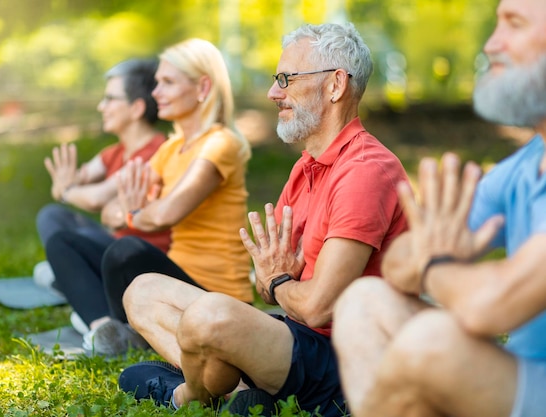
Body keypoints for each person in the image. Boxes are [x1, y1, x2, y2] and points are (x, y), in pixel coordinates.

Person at [118, 23, 408, 417]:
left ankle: (187, 395)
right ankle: (239, 394)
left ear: (335, 85)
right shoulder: (307, 166)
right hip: (296, 338)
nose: (274, 92)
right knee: (142, 291)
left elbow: (318, 306)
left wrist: (279, 281)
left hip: (344, 362)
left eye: (286, 79)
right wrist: (277, 281)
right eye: (277, 80)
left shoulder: (365, 172)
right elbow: (268, 285)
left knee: (209, 317)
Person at [331, 1, 546, 416]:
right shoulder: (523, 166)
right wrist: (432, 256)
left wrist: (434, 266)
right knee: (363, 300)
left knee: (431, 341)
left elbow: (493, 306)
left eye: (513, 25)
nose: (491, 44)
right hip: (520, 375)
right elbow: (398, 262)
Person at [46, 38, 253, 356]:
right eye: (156, 83)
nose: (156, 93)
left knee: (125, 249)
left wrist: (133, 213)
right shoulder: (170, 149)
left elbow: (166, 213)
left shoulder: (220, 143)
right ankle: (107, 330)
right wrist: (133, 211)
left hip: (215, 293)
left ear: (202, 88)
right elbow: (108, 211)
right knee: (62, 241)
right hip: (174, 278)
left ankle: (131, 329)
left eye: (167, 83)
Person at [34, 58, 170, 293]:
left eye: (109, 99)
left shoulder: (155, 151)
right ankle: (72, 276)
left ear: (136, 108)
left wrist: (65, 191)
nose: (101, 107)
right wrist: (68, 185)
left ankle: (72, 279)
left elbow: (96, 198)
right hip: (114, 243)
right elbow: (80, 179)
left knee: (70, 239)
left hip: (140, 255)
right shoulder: (114, 152)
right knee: (52, 216)